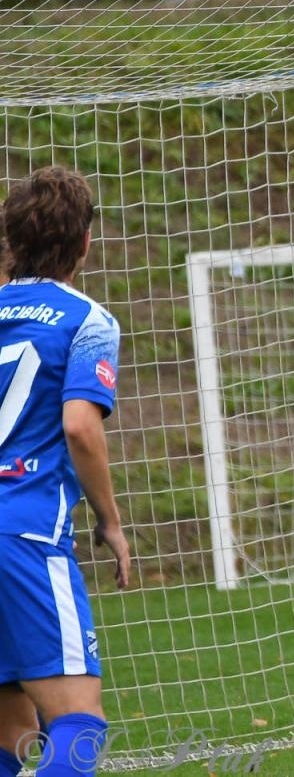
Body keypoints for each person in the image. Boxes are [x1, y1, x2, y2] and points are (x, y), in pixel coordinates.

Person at [0, 166, 131, 777]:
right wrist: (111, 521)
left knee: (10, 734)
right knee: (79, 727)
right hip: (26, 533)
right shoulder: (89, 321)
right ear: (84, 243)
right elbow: (80, 425)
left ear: (11, 239)